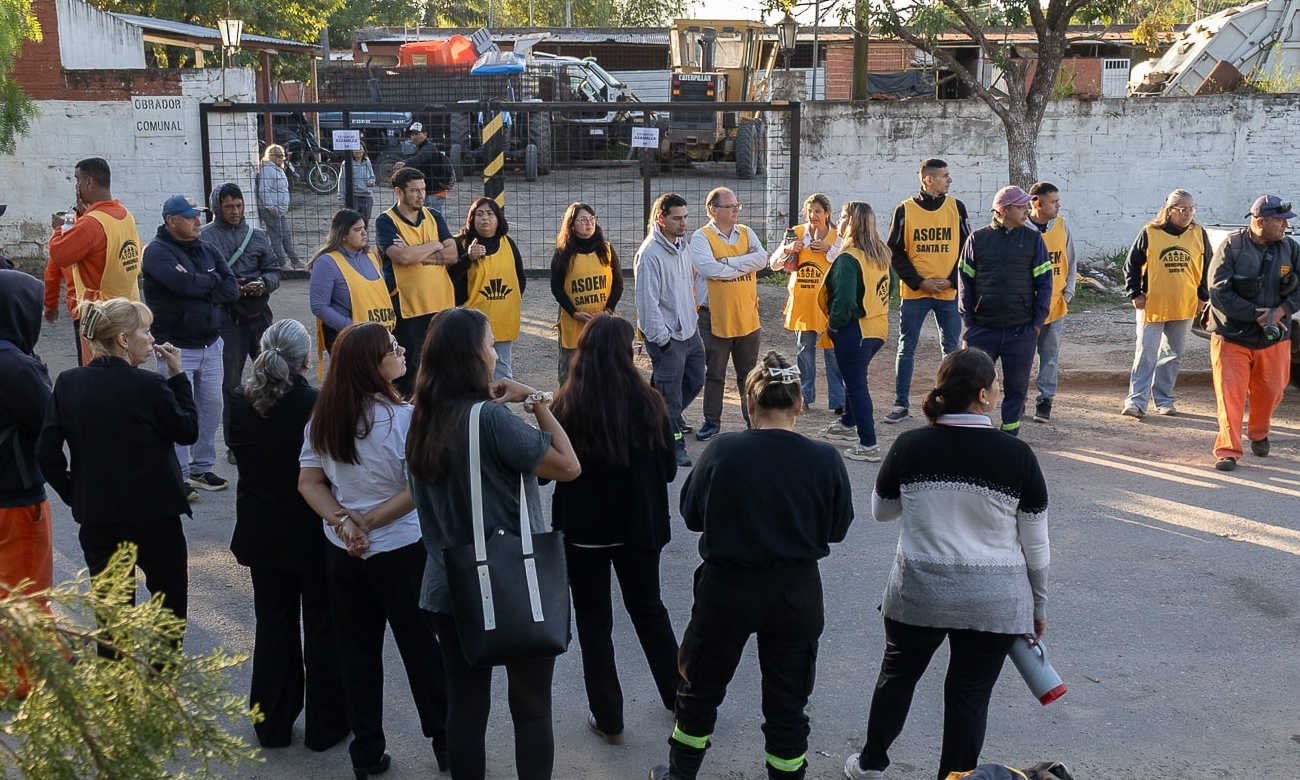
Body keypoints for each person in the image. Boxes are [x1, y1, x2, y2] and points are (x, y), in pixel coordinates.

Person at [843, 347, 1049, 780]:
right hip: (993, 602)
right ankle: (956, 778)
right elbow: (1036, 546)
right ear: (984, 396)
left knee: (897, 677)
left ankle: (871, 764)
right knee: (969, 695)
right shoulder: (1017, 456)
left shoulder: (910, 445)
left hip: (919, 591)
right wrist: (1038, 607)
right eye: (994, 384)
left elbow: (882, 512)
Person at [649, 351, 853, 780]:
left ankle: (679, 774)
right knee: (787, 703)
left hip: (727, 590)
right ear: (799, 404)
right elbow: (837, 528)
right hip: (795, 593)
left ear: (749, 403)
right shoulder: (825, 459)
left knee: (700, 690)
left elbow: (690, 514)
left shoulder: (724, 451)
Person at [406, 306, 581, 780]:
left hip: (448, 586)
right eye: (488, 345)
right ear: (471, 357)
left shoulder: (422, 419)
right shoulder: (490, 420)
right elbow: (568, 465)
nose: (494, 354)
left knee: (465, 710)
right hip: (511, 583)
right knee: (531, 710)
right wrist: (538, 401)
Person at [296, 321, 448, 778]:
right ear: (371, 365)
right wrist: (369, 522)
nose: (401, 352)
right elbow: (419, 487)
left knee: (358, 653)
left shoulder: (323, 418)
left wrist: (344, 522)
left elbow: (309, 482)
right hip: (400, 550)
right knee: (421, 650)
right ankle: (444, 742)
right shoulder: (405, 419)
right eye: (392, 349)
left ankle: (367, 750)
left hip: (344, 554)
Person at [550, 314, 679, 743]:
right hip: (639, 530)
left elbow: (547, 473)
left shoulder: (565, 405)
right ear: (626, 355)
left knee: (594, 623)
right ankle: (680, 697)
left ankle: (608, 716)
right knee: (650, 611)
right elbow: (666, 472)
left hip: (584, 532)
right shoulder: (650, 404)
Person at [37, 298, 197, 639]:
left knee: (111, 623)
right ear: (123, 339)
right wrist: (179, 377)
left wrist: (75, 493)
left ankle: (114, 691)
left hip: (99, 517)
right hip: (156, 517)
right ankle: (160, 685)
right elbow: (187, 431)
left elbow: (46, 453)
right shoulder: (150, 386)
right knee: (167, 615)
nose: (151, 339)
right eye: (145, 330)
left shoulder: (68, 383)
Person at [227, 319, 347, 751]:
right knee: (321, 623)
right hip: (311, 529)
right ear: (304, 361)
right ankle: (326, 724)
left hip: (261, 529)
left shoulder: (240, 403)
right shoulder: (316, 404)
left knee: (273, 623)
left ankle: (272, 721)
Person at [141, 195, 240, 495]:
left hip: (211, 342)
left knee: (211, 406)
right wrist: (209, 283)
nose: (198, 221)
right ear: (171, 221)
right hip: (175, 347)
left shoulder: (207, 248)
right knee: (176, 409)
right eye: (189, 217)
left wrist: (199, 283)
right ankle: (178, 472)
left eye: (197, 215)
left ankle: (201, 468)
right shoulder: (157, 253)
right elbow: (180, 285)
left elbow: (231, 288)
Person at [1204, 195, 1300, 471]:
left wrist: (1282, 310)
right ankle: (1228, 450)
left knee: (1272, 391)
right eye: (1279, 221)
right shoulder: (1232, 247)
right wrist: (1256, 316)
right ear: (1260, 221)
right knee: (1230, 395)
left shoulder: (1290, 249)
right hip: (1231, 335)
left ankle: (1258, 432)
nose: (1285, 226)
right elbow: (1218, 291)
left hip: (1274, 337)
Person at [957, 186, 1053, 436]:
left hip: (1020, 330)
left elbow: (1045, 283)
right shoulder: (978, 239)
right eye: (1021, 207)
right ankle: (973, 432)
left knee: (1016, 387)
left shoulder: (1033, 240)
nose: (1026, 211)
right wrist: (969, 322)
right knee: (973, 383)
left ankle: (1010, 434)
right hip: (982, 329)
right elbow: (964, 282)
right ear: (1004, 210)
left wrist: (1036, 323)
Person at [884, 158, 970, 424]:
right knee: (906, 347)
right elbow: (894, 251)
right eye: (945, 175)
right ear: (928, 179)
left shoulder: (956, 207)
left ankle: (951, 402)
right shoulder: (905, 209)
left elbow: (968, 247)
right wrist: (919, 281)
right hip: (916, 293)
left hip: (947, 291)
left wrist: (952, 280)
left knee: (952, 348)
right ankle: (900, 403)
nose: (949, 180)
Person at [202, 182, 278, 465]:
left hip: (259, 316)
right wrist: (232, 288)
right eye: (228, 206)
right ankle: (236, 443)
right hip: (228, 321)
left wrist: (263, 283)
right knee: (230, 385)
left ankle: (273, 430)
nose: (235, 212)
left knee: (273, 374)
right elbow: (205, 279)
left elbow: (274, 269)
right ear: (216, 208)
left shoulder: (256, 236)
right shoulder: (206, 239)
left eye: (239, 205)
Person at [1122, 188, 1210, 418]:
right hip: (1153, 305)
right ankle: (1136, 402)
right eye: (1182, 209)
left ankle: (1164, 400)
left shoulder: (1198, 233)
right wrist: (1135, 293)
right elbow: (1131, 265)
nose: (1187, 214)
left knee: (1172, 355)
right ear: (1169, 210)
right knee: (1146, 353)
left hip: (1184, 304)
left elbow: (1208, 268)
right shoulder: (1151, 232)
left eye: (1191, 209)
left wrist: (1203, 296)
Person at [46, 157, 144, 365]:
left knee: (97, 374)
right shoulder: (125, 215)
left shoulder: (92, 223)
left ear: (89, 182)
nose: (77, 186)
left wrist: (58, 229)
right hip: (127, 308)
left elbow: (59, 254)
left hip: (99, 316)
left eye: (77, 180)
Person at [689, 187, 769, 439]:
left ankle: (753, 423)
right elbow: (709, 269)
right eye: (730, 206)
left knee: (749, 375)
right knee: (715, 373)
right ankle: (712, 422)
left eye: (737, 205)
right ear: (713, 210)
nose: (736, 210)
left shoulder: (746, 232)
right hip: (714, 316)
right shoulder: (701, 238)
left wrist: (727, 262)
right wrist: (742, 263)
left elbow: (762, 259)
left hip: (747, 316)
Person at [635, 193, 705, 467]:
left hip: (689, 332)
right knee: (670, 398)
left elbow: (690, 284)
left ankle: (653, 419)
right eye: (677, 218)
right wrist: (662, 340)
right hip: (667, 338)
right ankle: (674, 445)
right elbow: (646, 302)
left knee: (695, 379)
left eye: (686, 217)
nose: (683, 223)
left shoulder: (682, 245)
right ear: (661, 219)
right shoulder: (650, 253)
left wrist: (692, 318)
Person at [374, 166, 458, 396]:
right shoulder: (386, 221)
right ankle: (407, 416)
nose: (421, 195)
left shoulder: (434, 216)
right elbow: (401, 257)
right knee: (409, 367)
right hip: (408, 307)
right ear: (398, 192)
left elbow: (453, 254)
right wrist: (435, 244)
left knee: (443, 364)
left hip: (441, 304)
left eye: (423, 189)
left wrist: (416, 254)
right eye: (414, 191)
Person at [820, 202, 891, 461]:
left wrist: (834, 325)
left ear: (851, 223)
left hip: (856, 330)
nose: (837, 222)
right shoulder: (880, 253)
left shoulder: (849, 259)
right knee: (855, 379)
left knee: (856, 385)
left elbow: (844, 302)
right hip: (877, 327)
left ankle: (868, 444)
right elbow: (888, 288)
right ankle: (848, 424)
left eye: (841, 217)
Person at [0, 270, 53, 603]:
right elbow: (50, 421)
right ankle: (30, 657)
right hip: (16, 494)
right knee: (26, 598)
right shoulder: (17, 366)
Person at [769, 193, 844, 414]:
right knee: (804, 351)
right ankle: (805, 397)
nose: (813, 216)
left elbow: (847, 260)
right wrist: (788, 249)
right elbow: (773, 264)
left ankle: (838, 400)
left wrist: (829, 250)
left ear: (827, 213)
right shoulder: (796, 233)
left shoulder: (837, 235)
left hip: (829, 304)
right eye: (810, 211)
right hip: (802, 304)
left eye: (818, 211)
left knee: (832, 352)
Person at [450, 197, 526, 379]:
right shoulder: (460, 243)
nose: (485, 218)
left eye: (490, 214)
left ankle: (500, 406)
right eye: (480, 214)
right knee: (470, 370)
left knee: (502, 371)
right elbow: (448, 279)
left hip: (502, 319)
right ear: (471, 218)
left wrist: (507, 304)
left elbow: (519, 279)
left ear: (498, 218)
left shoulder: (508, 243)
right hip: (471, 321)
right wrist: (467, 258)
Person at [550, 202, 624, 383]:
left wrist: (607, 311)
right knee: (570, 377)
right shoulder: (563, 253)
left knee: (603, 375)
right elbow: (556, 288)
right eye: (582, 220)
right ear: (571, 224)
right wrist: (574, 312)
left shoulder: (606, 249)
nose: (588, 223)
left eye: (592, 219)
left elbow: (618, 284)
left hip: (602, 323)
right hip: (573, 325)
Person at [309, 209, 396, 356]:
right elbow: (319, 306)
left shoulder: (371, 256)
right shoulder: (326, 262)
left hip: (379, 336)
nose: (364, 233)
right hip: (348, 338)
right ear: (342, 235)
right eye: (357, 230)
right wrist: (351, 327)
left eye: (364, 228)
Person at [1027, 182, 1077, 424]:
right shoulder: (1021, 228)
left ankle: (1045, 401)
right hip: (1026, 308)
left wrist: (1067, 294)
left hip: (1055, 305)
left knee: (1049, 356)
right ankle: (1017, 401)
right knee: (1022, 357)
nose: (1058, 205)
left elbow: (1071, 261)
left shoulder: (1061, 226)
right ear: (1037, 202)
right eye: (1054, 201)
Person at [256, 144, 303, 270]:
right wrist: (270, 206)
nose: (281, 158)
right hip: (271, 209)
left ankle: (294, 260)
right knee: (276, 236)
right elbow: (263, 190)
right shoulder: (267, 170)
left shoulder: (278, 169)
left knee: (285, 235)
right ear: (271, 156)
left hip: (280, 210)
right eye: (278, 156)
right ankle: (282, 262)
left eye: (282, 155)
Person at [391, 121, 454, 214]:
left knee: (433, 220)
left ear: (425, 134)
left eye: (417, 134)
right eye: (412, 134)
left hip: (435, 192)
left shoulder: (429, 148)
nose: (414, 137)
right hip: (430, 191)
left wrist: (404, 164)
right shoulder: (420, 148)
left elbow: (420, 158)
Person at [341, 145, 377, 228]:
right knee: (353, 223)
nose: (358, 151)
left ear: (364, 150)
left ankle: (363, 239)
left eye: (360, 148)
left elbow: (372, 177)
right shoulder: (346, 163)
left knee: (365, 222)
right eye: (355, 148)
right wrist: (341, 198)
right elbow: (342, 181)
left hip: (367, 197)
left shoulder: (367, 161)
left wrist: (371, 182)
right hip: (354, 197)